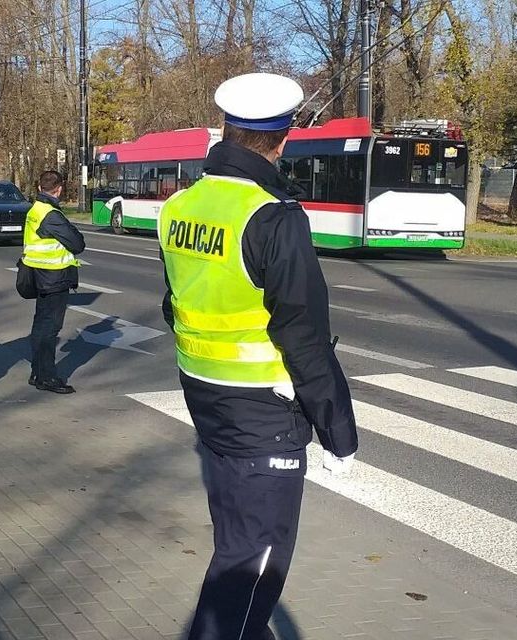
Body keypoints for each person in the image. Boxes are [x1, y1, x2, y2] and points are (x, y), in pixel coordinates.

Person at [157, 73, 359, 640]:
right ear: (284, 138)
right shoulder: (274, 216)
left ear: (225, 129)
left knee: (235, 542)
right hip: (264, 414)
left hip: (204, 397)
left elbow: (173, 306)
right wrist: (338, 433)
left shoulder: (180, 207)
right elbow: (304, 337)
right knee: (255, 561)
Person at [22, 170, 85, 394]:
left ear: (40, 188)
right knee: (50, 329)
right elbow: (77, 243)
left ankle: (37, 371)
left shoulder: (35, 210)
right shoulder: (51, 214)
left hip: (39, 275)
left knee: (40, 326)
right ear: (58, 190)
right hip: (54, 277)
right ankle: (46, 377)